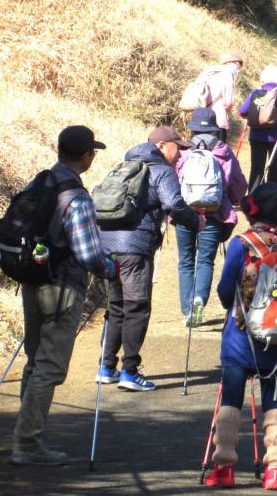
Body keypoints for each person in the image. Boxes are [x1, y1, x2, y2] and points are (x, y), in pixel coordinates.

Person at [11, 125, 116, 466]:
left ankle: (23, 436)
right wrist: (110, 268)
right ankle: (27, 446)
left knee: (35, 360)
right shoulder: (78, 197)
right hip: (62, 287)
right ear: (86, 156)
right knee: (50, 367)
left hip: (32, 279)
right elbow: (87, 254)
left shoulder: (41, 181)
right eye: (92, 152)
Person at [203, 184, 277, 491]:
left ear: (251, 211)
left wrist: (235, 303)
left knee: (231, 399)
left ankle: (224, 468)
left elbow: (223, 289)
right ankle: (274, 471)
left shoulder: (243, 243)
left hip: (240, 334)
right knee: (275, 398)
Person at [96, 126, 204, 391]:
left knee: (117, 307)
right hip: (135, 248)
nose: (180, 154)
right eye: (178, 147)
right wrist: (196, 222)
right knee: (137, 307)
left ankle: (106, 367)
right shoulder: (161, 171)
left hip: (107, 245)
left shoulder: (123, 166)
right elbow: (174, 205)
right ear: (163, 145)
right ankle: (129, 372)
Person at [176, 107, 247, 326]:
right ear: (215, 130)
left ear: (192, 130)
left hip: (185, 214)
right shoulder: (224, 152)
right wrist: (233, 201)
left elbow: (175, 180)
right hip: (214, 214)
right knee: (205, 260)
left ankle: (188, 310)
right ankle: (199, 299)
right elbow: (239, 185)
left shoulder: (184, 153)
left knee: (185, 261)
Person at [238, 65, 277, 190]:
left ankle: (253, 196)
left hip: (256, 135)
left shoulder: (256, 92)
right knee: (273, 166)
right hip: (276, 136)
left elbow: (242, 111)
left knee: (256, 167)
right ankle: (271, 195)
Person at [196, 52, 244, 142]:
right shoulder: (227, 75)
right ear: (233, 64)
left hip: (199, 117)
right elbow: (228, 102)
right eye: (238, 67)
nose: (238, 70)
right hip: (217, 118)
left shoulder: (208, 72)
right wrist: (226, 110)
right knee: (217, 151)